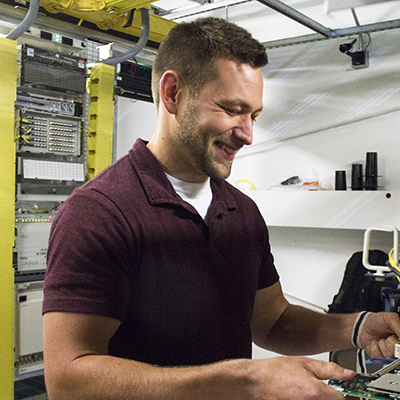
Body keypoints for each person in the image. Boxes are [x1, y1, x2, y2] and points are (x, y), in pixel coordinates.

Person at [43, 17, 400, 400]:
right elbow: (68, 379)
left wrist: (356, 327)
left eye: (254, 116)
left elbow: (273, 322)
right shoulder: (99, 214)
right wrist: (243, 380)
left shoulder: (241, 212)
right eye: (232, 109)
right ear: (173, 93)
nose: (248, 134)